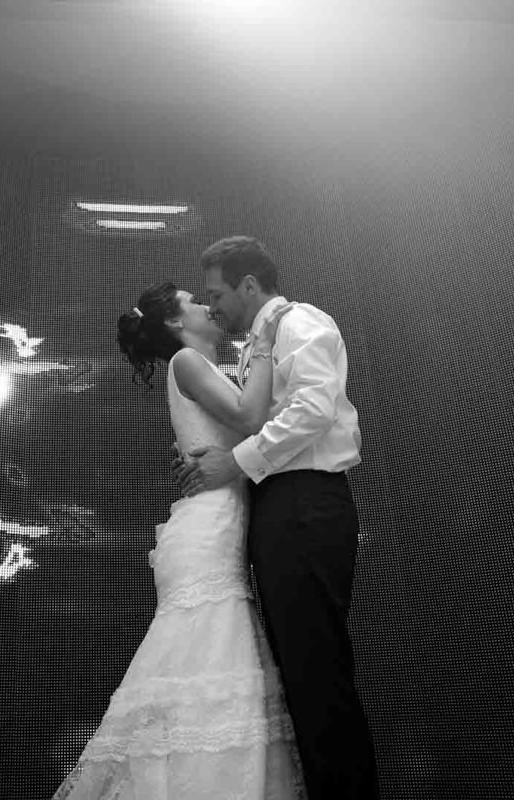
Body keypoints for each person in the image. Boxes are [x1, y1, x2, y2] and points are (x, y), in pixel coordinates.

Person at [52, 281, 305, 799]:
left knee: (212, 676)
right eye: (195, 302)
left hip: (218, 529)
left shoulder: (201, 367)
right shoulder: (188, 362)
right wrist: (262, 344)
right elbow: (251, 419)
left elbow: (242, 431)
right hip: (208, 534)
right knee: (206, 670)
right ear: (174, 321)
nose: (208, 307)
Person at [175, 235, 380, 799]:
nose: (213, 306)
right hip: (283, 510)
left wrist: (235, 463)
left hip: (306, 506)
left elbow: (314, 408)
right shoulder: (257, 345)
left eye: (217, 294)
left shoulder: (300, 321)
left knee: (318, 675)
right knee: (301, 674)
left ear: (248, 285)